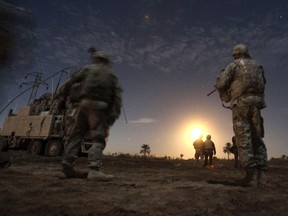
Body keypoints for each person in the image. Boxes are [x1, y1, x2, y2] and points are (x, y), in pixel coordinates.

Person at [56, 51, 123, 181]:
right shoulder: (111, 75)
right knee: (98, 138)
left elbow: (69, 83)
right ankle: (93, 170)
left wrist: (61, 100)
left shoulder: (87, 69)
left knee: (75, 136)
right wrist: (112, 116)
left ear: (96, 59)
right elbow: (117, 98)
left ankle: (66, 169)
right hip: (100, 109)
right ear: (106, 61)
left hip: (83, 106)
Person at [215, 44, 268, 187]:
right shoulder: (258, 67)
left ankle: (250, 176)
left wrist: (225, 96)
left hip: (241, 104)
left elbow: (221, 84)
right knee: (257, 138)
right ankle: (262, 176)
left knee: (243, 138)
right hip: (256, 104)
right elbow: (263, 84)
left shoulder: (233, 66)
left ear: (236, 54)